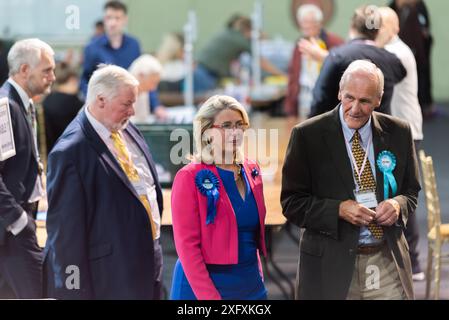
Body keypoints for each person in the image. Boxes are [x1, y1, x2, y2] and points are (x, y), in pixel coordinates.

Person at [281, 60, 421, 300]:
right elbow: (292, 203)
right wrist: (338, 210)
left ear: (378, 99)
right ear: (339, 92)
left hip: (386, 261)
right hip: (331, 265)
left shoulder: (399, 132)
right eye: (349, 98)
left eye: (365, 101)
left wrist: (398, 205)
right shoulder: (307, 135)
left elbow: (410, 191)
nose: (355, 108)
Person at [44, 65, 164, 299]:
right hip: (111, 274)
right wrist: (73, 291)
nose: (132, 112)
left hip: (151, 258)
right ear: (100, 99)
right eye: (126, 104)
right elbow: (65, 236)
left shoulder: (126, 129)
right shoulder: (69, 152)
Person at [170, 95, 268, 300]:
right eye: (226, 125)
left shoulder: (252, 169)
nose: (235, 132)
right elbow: (187, 248)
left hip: (251, 285)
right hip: (204, 288)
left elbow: (252, 234)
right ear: (207, 132)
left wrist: (259, 277)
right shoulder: (189, 177)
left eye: (239, 125)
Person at [0, 38, 56, 298]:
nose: (52, 77)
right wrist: (18, 220)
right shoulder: (5, 106)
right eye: (46, 70)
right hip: (13, 226)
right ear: (24, 70)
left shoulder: (25, 103)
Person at [376, 7, 425, 281]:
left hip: (405, 132)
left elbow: (371, 71)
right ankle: (409, 260)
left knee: (404, 192)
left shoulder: (397, 54)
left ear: (393, 28)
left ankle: (414, 262)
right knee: (396, 190)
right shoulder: (393, 50)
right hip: (402, 130)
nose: (375, 32)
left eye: (379, 27)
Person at [309, 5, 406, 117]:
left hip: (342, 131)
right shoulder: (391, 60)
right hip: (380, 130)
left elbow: (320, 98)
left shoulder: (338, 56)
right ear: (377, 31)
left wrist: (311, 127)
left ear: (352, 26)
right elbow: (401, 74)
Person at [194, 15, 285, 93]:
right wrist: (282, 75)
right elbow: (261, 61)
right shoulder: (240, 39)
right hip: (206, 74)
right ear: (249, 30)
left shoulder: (229, 34)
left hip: (201, 71)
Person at [285, 4, 343, 119]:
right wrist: (290, 106)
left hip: (325, 96)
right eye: (303, 22)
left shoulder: (333, 42)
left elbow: (341, 66)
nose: (306, 26)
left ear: (319, 23)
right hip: (304, 94)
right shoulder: (300, 43)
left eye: (310, 22)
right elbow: (293, 74)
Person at [390, 0, 434, 118]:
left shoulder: (419, 8)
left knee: (421, 77)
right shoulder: (393, 7)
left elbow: (425, 30)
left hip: (417, 52)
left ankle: (424, 105)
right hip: (403, 52)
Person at [43, 62, 83, 154]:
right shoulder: (76, 104)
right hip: (73, 156)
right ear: (73, 80)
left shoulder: (46, 101)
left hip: (51, 155)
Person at [128, 54, 167, 122]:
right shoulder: (123, 94)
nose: (154, 88)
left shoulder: (143, 93)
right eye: (152, 82)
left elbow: (143, 121)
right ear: (141, 76)